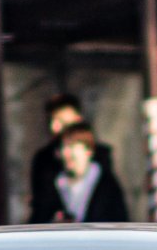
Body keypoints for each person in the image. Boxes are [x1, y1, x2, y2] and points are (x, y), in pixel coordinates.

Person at [28, 93, 112, 221]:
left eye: (61, 120)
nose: (54, 127)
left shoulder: (101, 161)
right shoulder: (43, 160)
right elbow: (40, 208)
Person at [30, 121, 130, 224]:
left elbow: (119, 222)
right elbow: (38, 219)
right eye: (63, 147)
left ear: (88, 150)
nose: (66, 153)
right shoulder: (53, 185)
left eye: (72, 146)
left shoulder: (107, 185)